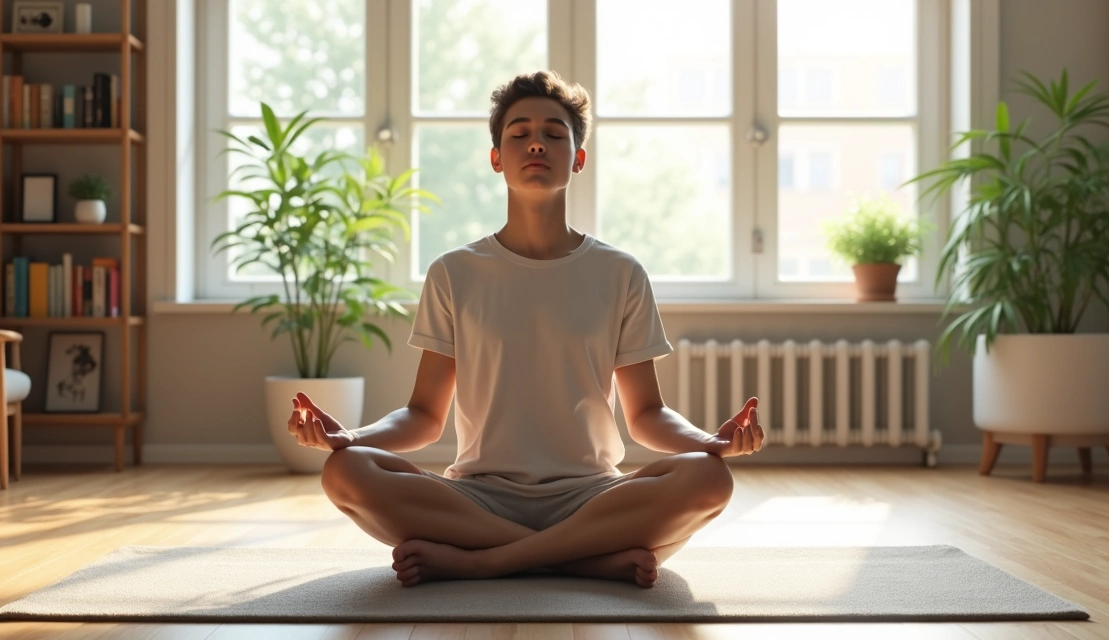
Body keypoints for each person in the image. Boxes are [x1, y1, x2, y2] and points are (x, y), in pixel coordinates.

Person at [286, 70, 764, 589]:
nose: (537, 141)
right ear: (497, 158)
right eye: (519, 132)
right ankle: (575, 561)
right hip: (477, 496)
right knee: (345, 471)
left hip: (592, 495)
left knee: (708, 477)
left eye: (555, 133)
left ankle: (484, 561)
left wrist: (708, 441)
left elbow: (646, 415)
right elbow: (424, 417)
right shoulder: (454, 272)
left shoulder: (620, 273)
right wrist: (350, 437)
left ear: (578, 159)